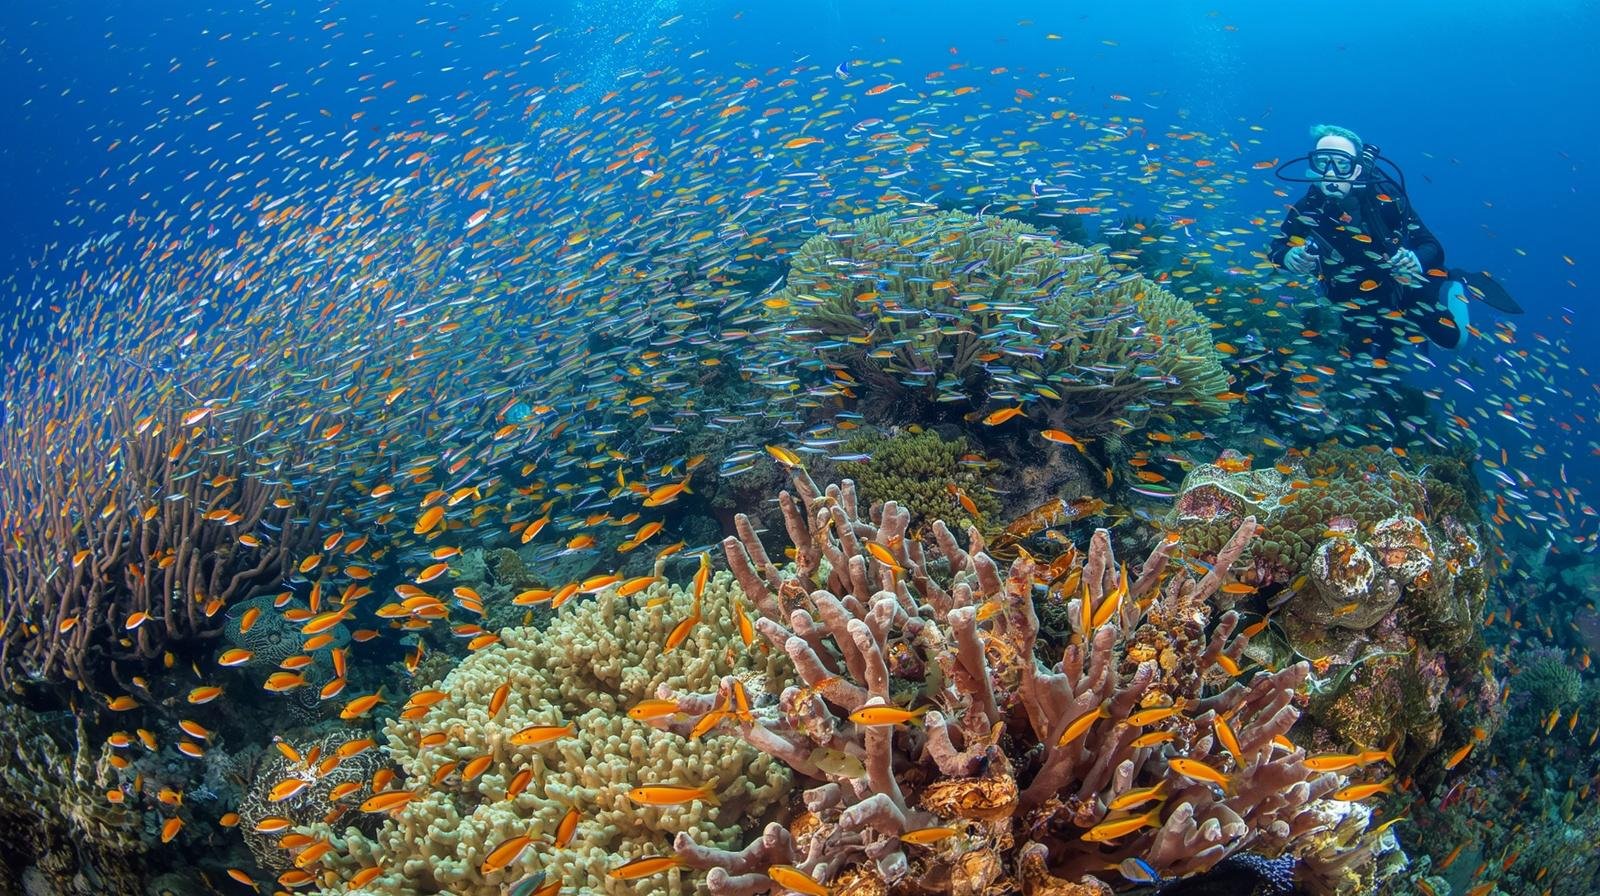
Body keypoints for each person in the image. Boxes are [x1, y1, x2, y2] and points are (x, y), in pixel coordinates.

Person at [1268, 124, 1469, 357]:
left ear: (1356, 169)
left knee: (1452, 340)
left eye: (1342, 163)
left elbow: (1432, 246)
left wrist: (1416, 259)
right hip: (1349, 295)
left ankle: (1455, 283)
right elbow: (1277, 248)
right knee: (1351, 356)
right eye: (1322, 162)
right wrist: (1288, 257)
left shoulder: (1384, 199)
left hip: (1402, 286)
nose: (1331, 172)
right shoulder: (1308, 208)